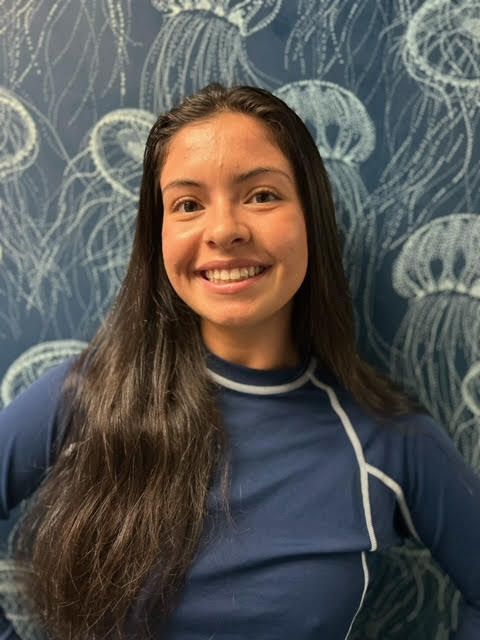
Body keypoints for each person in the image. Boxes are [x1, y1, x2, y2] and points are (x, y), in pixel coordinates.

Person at [0, 83, 479, 640]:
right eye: (187, 204)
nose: (224, 230)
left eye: (261, 195)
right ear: (158, 236)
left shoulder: (388, 441)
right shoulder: (86, 396)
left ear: (311, 217)